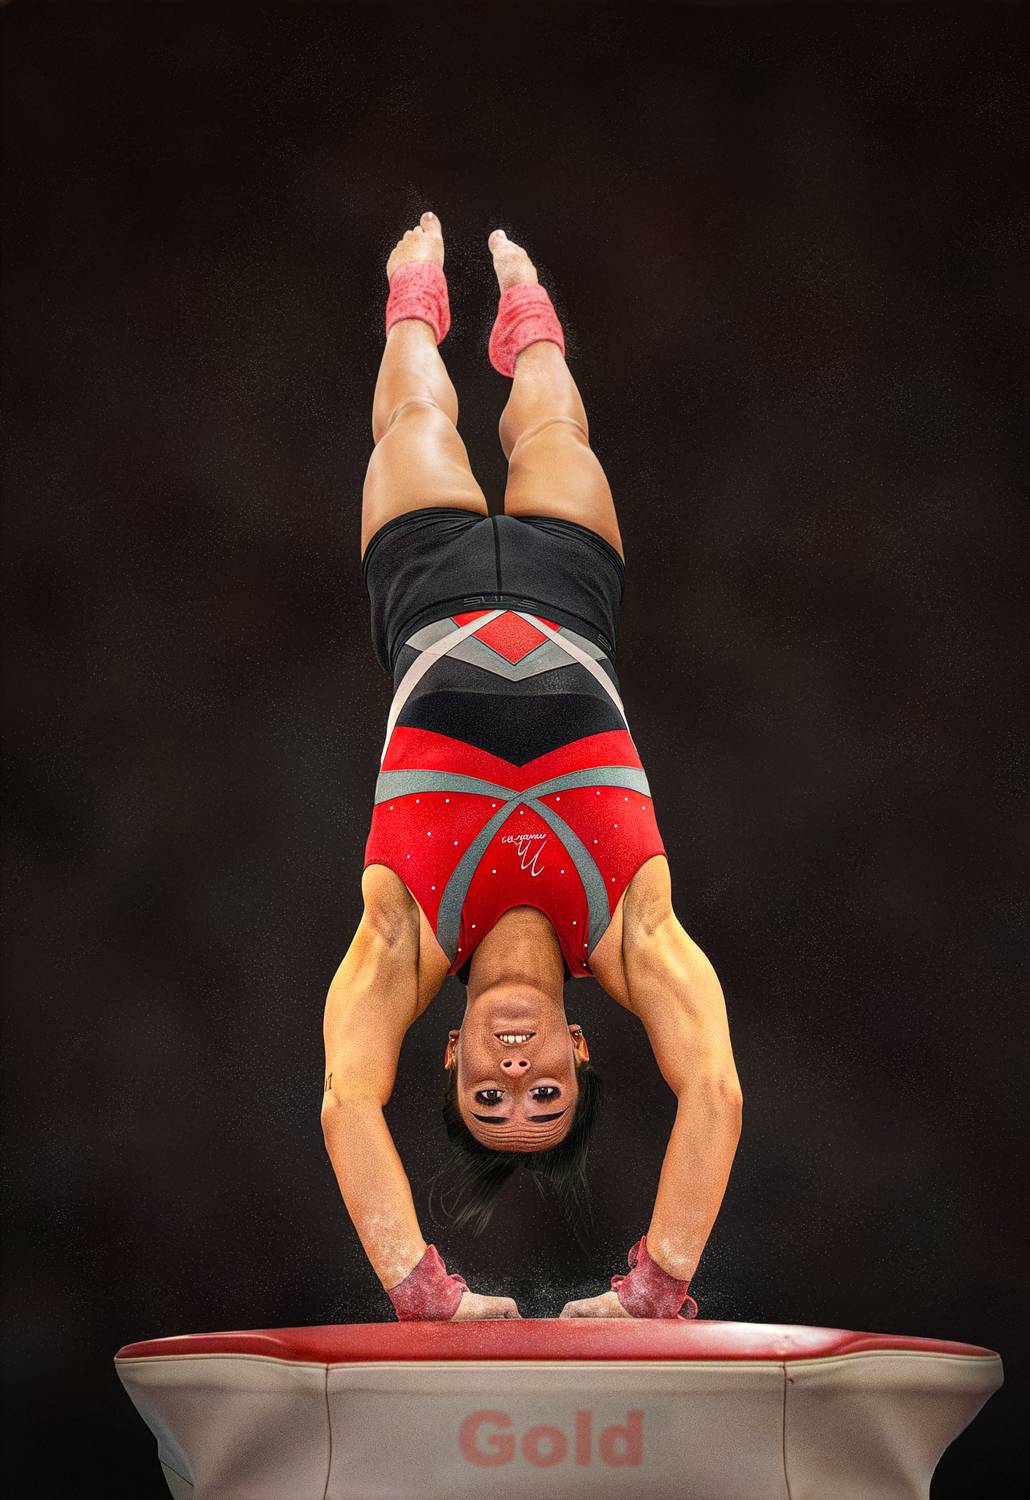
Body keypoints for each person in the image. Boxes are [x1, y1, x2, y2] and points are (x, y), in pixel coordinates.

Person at [320, 213, 742, 1321]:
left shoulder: (406, 935)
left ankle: (413, 290)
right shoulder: (631, 933)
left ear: (450, 1049)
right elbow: (712, 1089)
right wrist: (658, 1283)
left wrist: (421, 1288)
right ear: (581, 1053)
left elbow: (345, 1103)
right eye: (543, 1093)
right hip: (566, 590)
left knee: (414, 409)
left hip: (429, 591)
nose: (515, 1072)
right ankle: (527, 316)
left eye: (487, 1092)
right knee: (550, 413)